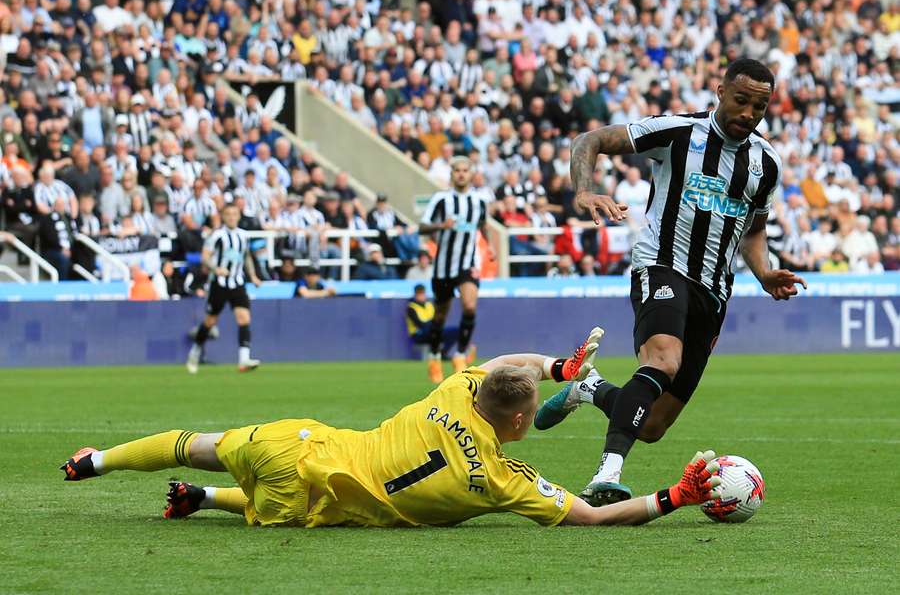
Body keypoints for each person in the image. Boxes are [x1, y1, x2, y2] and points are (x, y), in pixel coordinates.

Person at [59, 332, 723, 528]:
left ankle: (97, 462)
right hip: (327, 495)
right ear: (519, 422)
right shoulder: (497, 479)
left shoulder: (454, 389)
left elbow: (496, 365)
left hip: (304, 439)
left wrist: (554, 366)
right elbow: (591, 517)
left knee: (198, 446)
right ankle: (207, 502)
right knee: (283, 505)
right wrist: (677, 496)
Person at [541, 59, 807, 507]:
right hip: (662, 265)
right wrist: (584, 190)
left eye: (759, 106)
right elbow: (590, 140)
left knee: (652, 426)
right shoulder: (678, 132)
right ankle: (607, 474)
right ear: (720, 91)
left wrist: (764, 273)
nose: (748, 113)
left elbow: (754, 227)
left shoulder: (766, 163)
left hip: (714, 291)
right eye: (741, 100)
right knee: (663, 360)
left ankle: (590, 388)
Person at [418, 157, 488, 383]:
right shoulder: (441, 199)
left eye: (465, 170)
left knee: (469, 306)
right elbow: (422, 226)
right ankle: (435, 358)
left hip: (468, 263)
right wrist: (441, 225)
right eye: (457, 170)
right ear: (451, 174)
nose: (461, 174)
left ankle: (460, 354)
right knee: (440, 315)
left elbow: (482, 225)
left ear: (471, 174)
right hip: (444, 266)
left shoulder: (479, 201)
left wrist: (492, 247)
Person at [186, 203, 262, 374]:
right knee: (210, 321)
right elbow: (204, 257)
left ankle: (244, 359)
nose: (231, 217)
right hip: (219, 284)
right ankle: (195, 351)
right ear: (223, 216)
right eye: (228, 214)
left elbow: (246, 256)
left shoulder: (243, 235)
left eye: (234, 214)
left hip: (237, 282)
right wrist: (216, 269)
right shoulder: (217, 235)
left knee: (244, 318)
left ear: (239, 216)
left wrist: (253, 276)